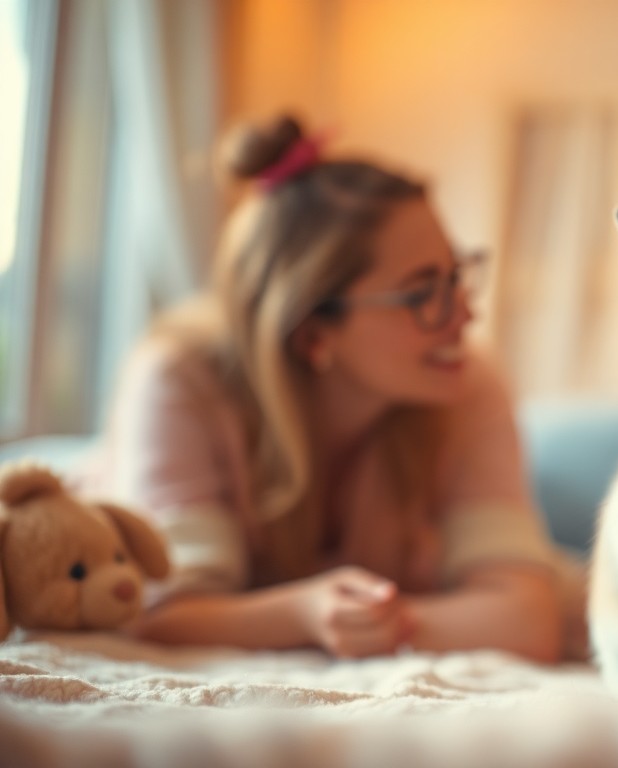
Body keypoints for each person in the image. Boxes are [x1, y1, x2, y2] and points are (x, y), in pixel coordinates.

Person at [89, 115, 563, 661]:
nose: (465, 313)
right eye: (420, 295)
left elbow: (527, 619)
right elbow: (154, 612)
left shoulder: (467, 385)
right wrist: (301, 614)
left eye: (456, 276)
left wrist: (365, 619)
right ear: (313, 334)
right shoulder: (178, 383)